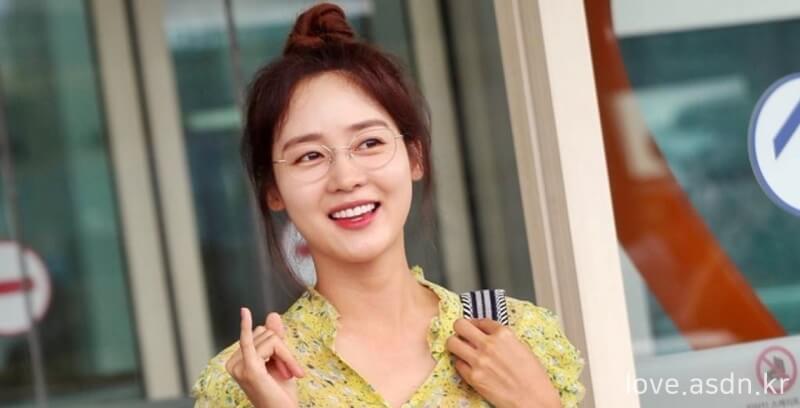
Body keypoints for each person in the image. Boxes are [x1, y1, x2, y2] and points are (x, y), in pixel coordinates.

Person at [191, 3, 585, 407]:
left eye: (369, 143)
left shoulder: (519, 337)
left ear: (415, 157)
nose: (346, 178)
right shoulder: (242, 384)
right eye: (310, 155)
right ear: (273, 189)